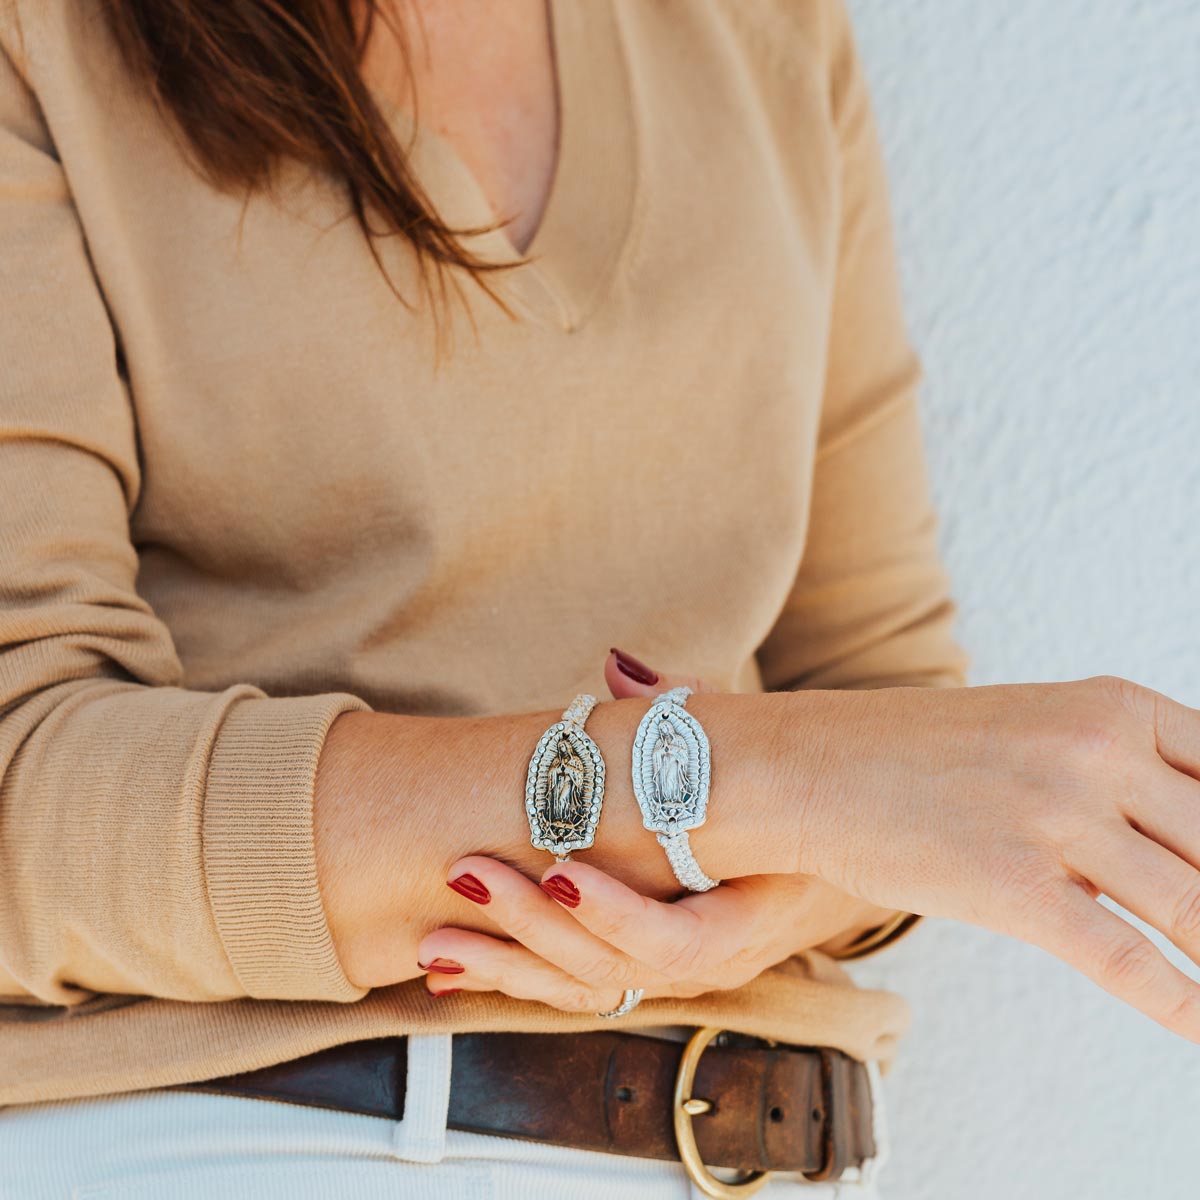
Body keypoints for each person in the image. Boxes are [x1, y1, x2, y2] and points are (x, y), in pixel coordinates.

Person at [2, 1, 1199, 1196]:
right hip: (255, 1141)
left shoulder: (768, 28)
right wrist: (723, 781)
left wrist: (772, 879)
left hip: (779, 1143)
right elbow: (21, 777)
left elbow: (877, 701)